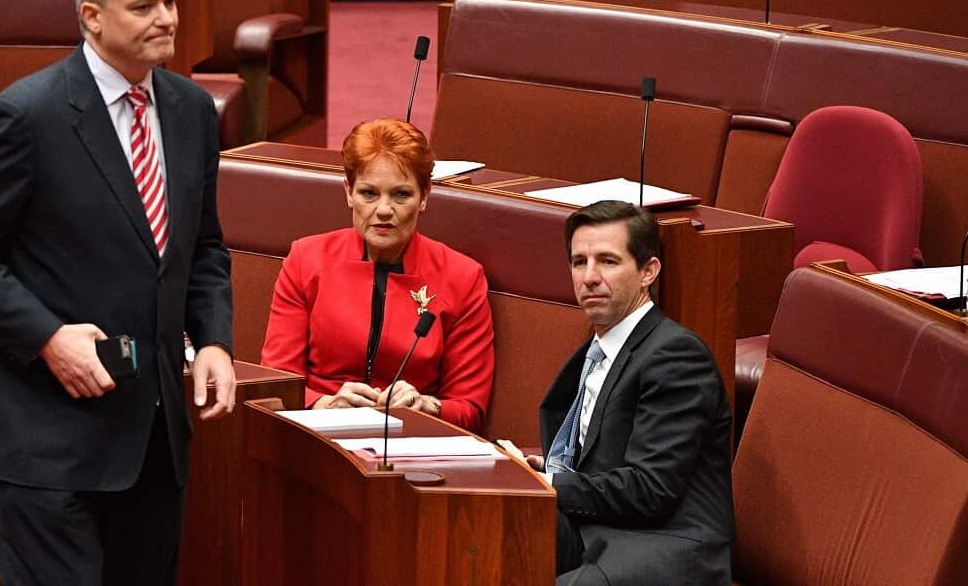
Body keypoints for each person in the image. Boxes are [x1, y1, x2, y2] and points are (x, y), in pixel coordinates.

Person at [0, 0, 236, 586]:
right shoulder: (25, 115)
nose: (167, 19)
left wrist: (213, 340)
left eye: (172, 2)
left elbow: (202, 246)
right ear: (91, 16)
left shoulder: (191, 111)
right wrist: (46, 338)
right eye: (145, 6)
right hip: (50, 434)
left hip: (152, 433)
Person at [527, 200, 733, 585]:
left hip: (664, 543)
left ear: (647, 272)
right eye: (578, 262)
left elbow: (652, 490)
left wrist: (551, 483)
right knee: (479, 529)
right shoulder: (598, 349)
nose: (589, 277)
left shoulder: (676, 355)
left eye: (607, 261)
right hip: (599, 526)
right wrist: (536, 471)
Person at [260, 118, 495, 431]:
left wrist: (427, 407)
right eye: (369, 193)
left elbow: (469, 408)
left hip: (412, 441)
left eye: (401, 195)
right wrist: (323, 404)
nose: (384, 210)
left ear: (424, 196)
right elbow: (277, 382)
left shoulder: (462, 278)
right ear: (348, 192)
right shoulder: (306, 260)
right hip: (316, 434)